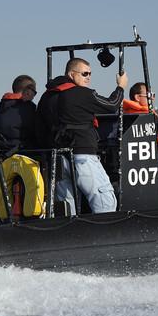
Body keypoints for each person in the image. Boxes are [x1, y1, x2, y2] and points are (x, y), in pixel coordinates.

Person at [53, 57, 127, 213]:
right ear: (72, 74)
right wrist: (120, 86)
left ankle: (69, 234)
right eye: (85, 73)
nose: (88, 77)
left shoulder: (50, 95)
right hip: (83, 155)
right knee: (104, 200)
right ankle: (105, 235)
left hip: (60, 157)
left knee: (67, 206)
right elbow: (112, 105)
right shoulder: (81, 93)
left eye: (90, 74)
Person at [0, 74, 40, 153]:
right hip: (24, 154)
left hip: (2, 156)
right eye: (34, 92)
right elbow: (38, 132)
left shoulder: (2, 107)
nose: (34, 95)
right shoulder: (29, 108)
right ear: (27, 91)